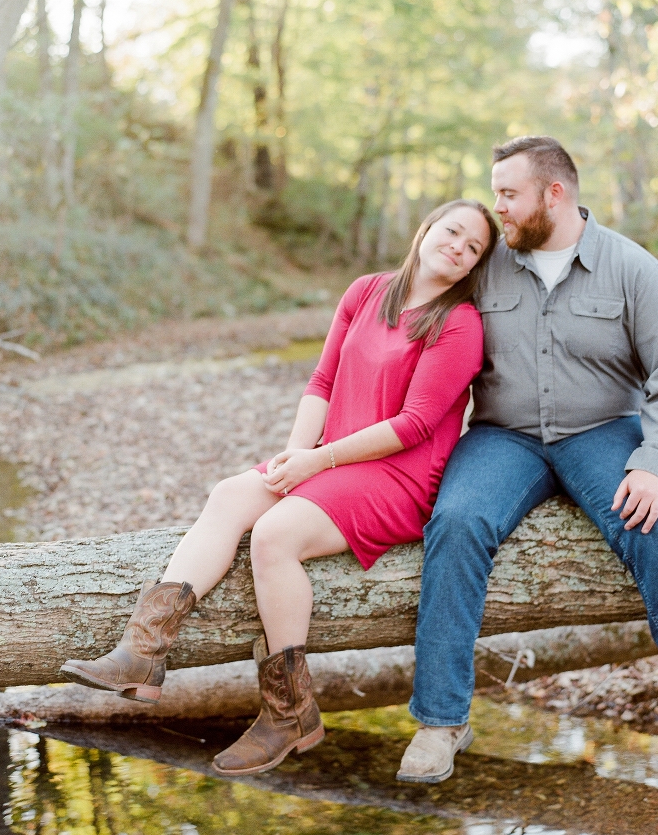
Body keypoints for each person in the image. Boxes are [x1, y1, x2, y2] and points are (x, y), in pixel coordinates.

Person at [61, 199, 499, 777]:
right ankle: (142, 654)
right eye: (453, 232)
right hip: (330, 457)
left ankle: (289, 712)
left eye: (474, 249)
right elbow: (322, 381)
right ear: (426, 230)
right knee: (229, 494)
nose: (459, 248)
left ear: (474, 268)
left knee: (274, 535)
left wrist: (317, 462)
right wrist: (292, 458)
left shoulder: (460, 323)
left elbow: (415, 424)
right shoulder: (367, 291)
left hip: (400, 476)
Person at [397, 136, 658, 785]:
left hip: (602, 432)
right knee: (457, 522)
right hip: (504, 437)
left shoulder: (632, 269)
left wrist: (654, 461)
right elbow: (413, 311)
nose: (499, 209)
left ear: (556, 194)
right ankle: (441, 722)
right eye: (495, 195)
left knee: (655, 526)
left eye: (509, 194)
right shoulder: (485, 266)